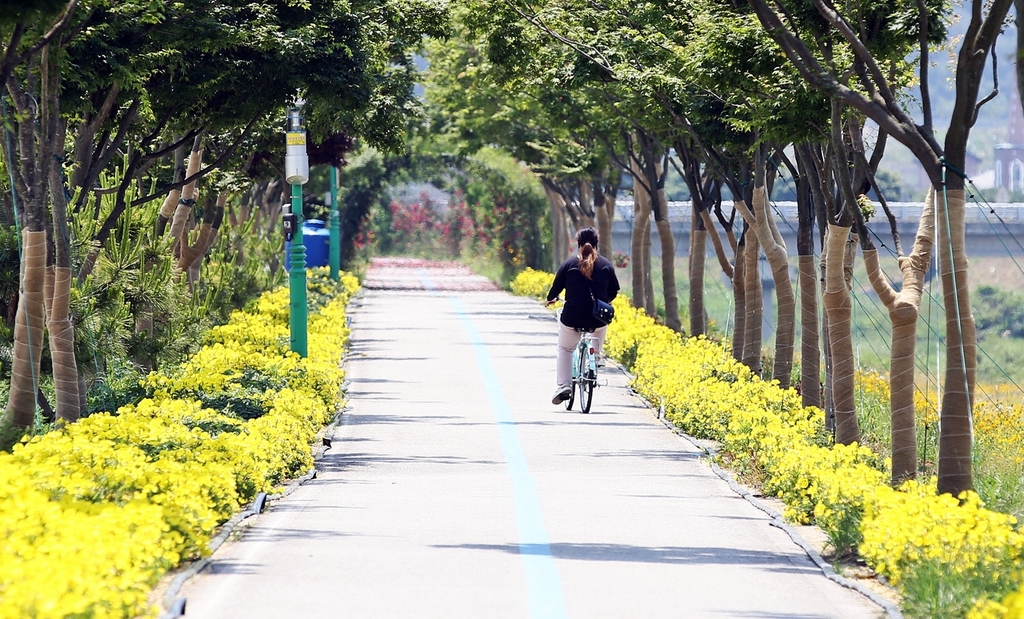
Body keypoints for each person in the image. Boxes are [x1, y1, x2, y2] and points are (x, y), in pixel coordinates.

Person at [544, 227, 620, 405]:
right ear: (596, 244)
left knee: (565, 349)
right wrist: (605, 300)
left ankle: (564, 385)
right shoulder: (606, 265)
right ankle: (597, 355)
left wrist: (550, 299)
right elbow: (614, 290)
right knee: (602, 323)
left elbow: (555, 288)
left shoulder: (569, 264)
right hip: (597, 318)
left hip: (572, 317)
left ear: (577, 244)